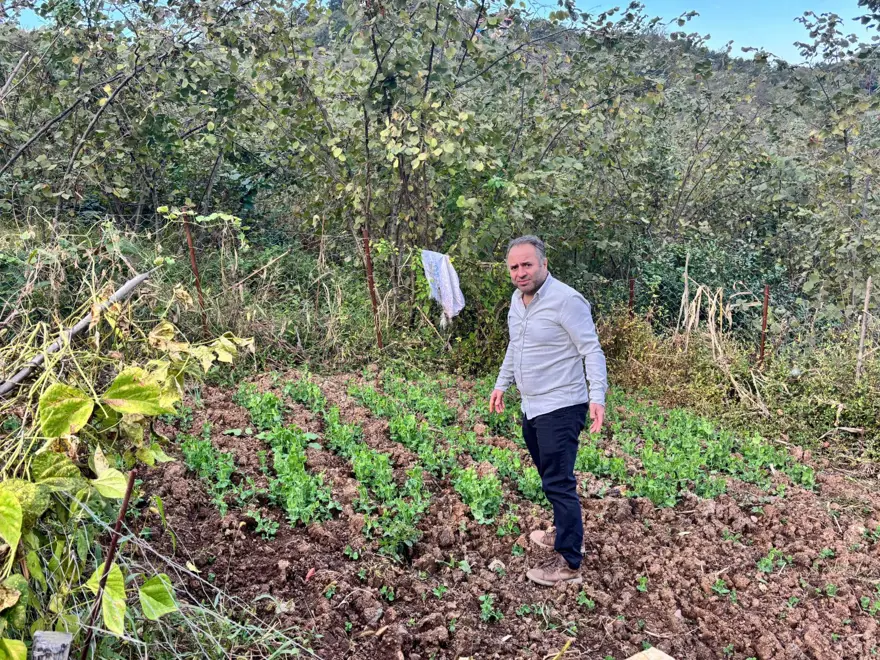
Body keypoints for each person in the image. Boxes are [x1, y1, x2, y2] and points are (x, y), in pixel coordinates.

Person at [489, 235, 608, 586]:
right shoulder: (517, 301)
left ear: (543, 263)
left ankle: (570, 561)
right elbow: (516, 346)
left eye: (527, 264)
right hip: (532, 406)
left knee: (558, 482)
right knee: (549, 477)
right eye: (514, 267)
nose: (521, 272)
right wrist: (501, 384)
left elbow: (592, 350)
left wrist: (596, 396)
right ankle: (563, 530)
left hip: (562, 405)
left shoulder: (566, 301)